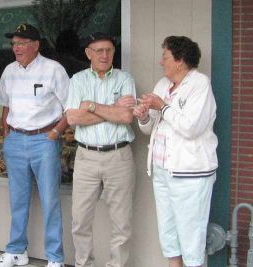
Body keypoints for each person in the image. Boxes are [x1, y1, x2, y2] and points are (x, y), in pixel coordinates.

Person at [133, 36, 217, 267]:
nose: (161, 62)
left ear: (180, 60)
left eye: (165, 56)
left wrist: (162, 106)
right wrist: (143, 116)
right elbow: (151, 127)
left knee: (191, 234)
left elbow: (190, 127)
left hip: (190, 174)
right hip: (162, 170)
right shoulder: (162, 85)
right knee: (168, 230)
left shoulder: (199, 85)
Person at [0, 23, 69, 267]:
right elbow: (5, 104)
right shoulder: (9, 71)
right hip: (15, 140)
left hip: (44, 140)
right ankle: (16, 251)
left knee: (50, 201)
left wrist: (56, 133)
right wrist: (7, 134)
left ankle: (55, 258)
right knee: (17, 200)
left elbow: (71, 106)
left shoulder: (53, 69)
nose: (16, 48)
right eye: (14, 43)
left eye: (22, 43)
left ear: (36, 45)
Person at [65, 32, 136, 267]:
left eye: (108, 50)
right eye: (99, 50)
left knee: (121, 223)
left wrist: (93, 107)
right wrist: (112, 110)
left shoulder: (125, 79)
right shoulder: (77, 80)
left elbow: (126, 116)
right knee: (80, 220)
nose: (104, 55)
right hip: (86, 157)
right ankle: (84, 264)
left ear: (113, 52)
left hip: (119, 156)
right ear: (88, 53)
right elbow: (74, 117)